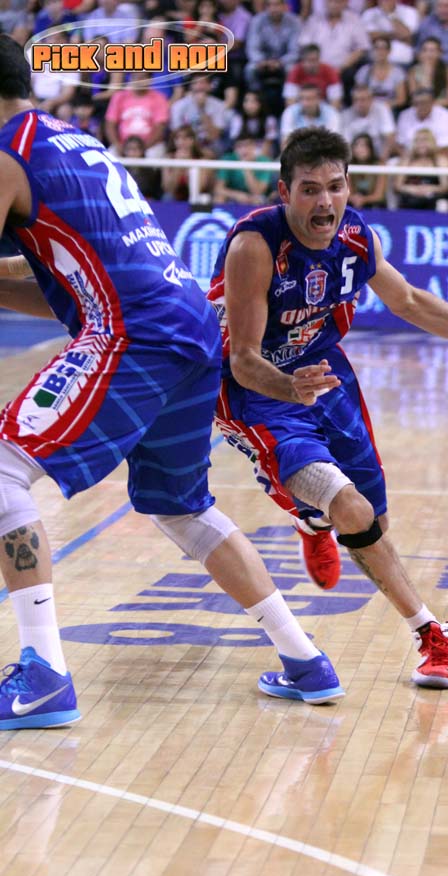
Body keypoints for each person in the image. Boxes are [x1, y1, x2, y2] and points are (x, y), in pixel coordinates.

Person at [0, 35, 345, 730]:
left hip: (137, 333)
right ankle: (305, 660)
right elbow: (66, 282)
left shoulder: (5, 154)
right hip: (186, 325)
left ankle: (43, 675)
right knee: (180, 507)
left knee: (2, 468)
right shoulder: (68, 140)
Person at [207, 125, 448, 692]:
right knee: (350, 506)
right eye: (310, 189)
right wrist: (289, 387)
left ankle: (311, 518)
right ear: (285, 192)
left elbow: (407, 300)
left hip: (325, 371)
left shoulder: (357, 238)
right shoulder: (255, 247)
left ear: (349, 185)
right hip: (256, 392)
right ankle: (431, 633)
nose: (325, 202)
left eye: (335, 187)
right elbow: (242, 359)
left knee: (375, 521)